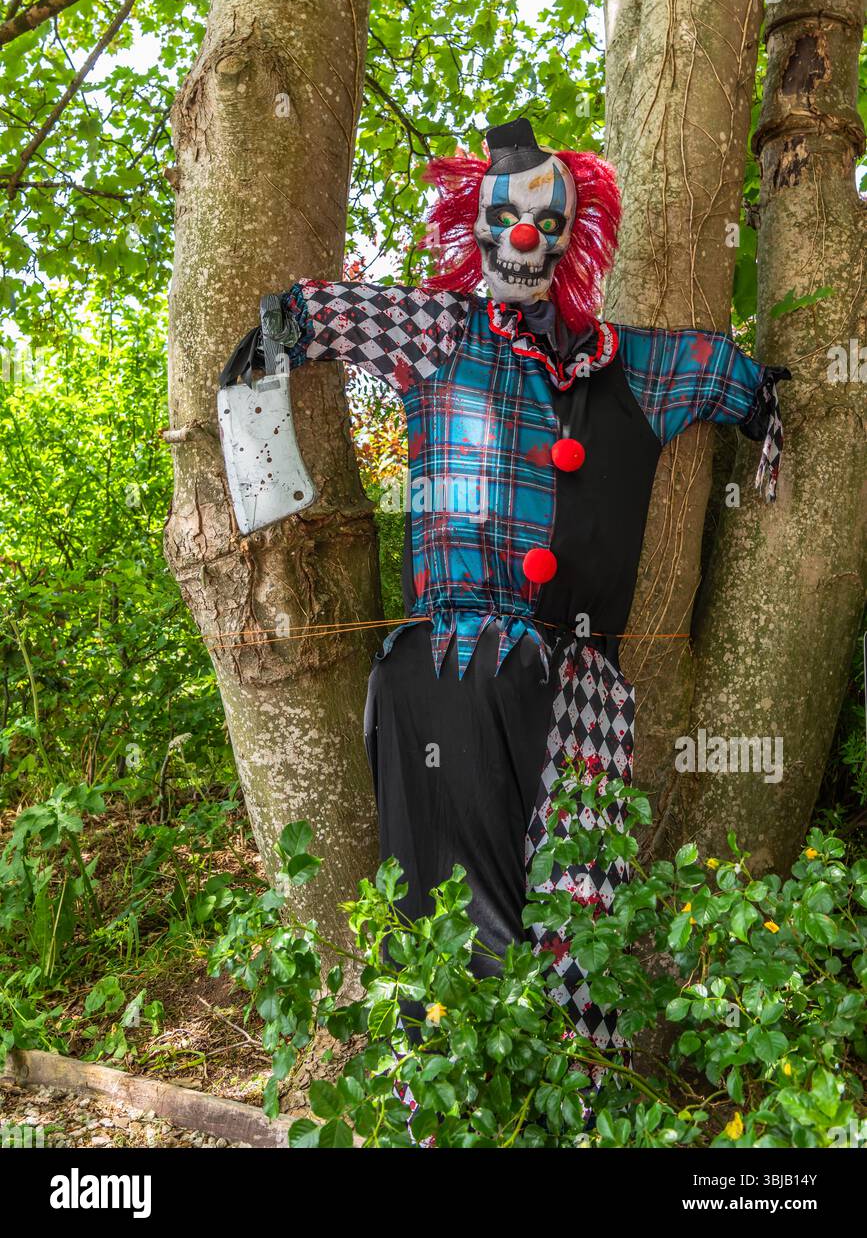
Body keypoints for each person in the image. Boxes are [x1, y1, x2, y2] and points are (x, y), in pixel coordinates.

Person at [220, 117, 790, 1052]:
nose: (523, 237)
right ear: (473, 224)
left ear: (575, 234)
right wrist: (261, 405)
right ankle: (443, 1100)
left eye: (544, 221)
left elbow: (734, 379)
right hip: (444, 671)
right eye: (503, 219)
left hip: (579, 683)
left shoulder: (635, 365)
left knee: (578, 919)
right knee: (445, 926)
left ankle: (574, 1100)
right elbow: (312, 317)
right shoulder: (441, 333)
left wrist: (771, 408)